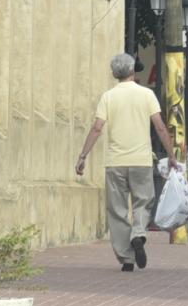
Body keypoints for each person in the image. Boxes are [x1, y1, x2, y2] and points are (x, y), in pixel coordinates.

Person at [75, 53, 176, 272]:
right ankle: (138, 233)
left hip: (115, 162)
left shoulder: (108, 97)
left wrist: (83, 156)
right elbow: (159, 126)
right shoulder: (147, 94)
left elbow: (97, 127)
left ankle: (126, 258)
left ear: (114, 73)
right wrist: (171, 156)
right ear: (133, 71)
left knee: (117, 209)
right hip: (141, 161)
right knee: (144, 201)